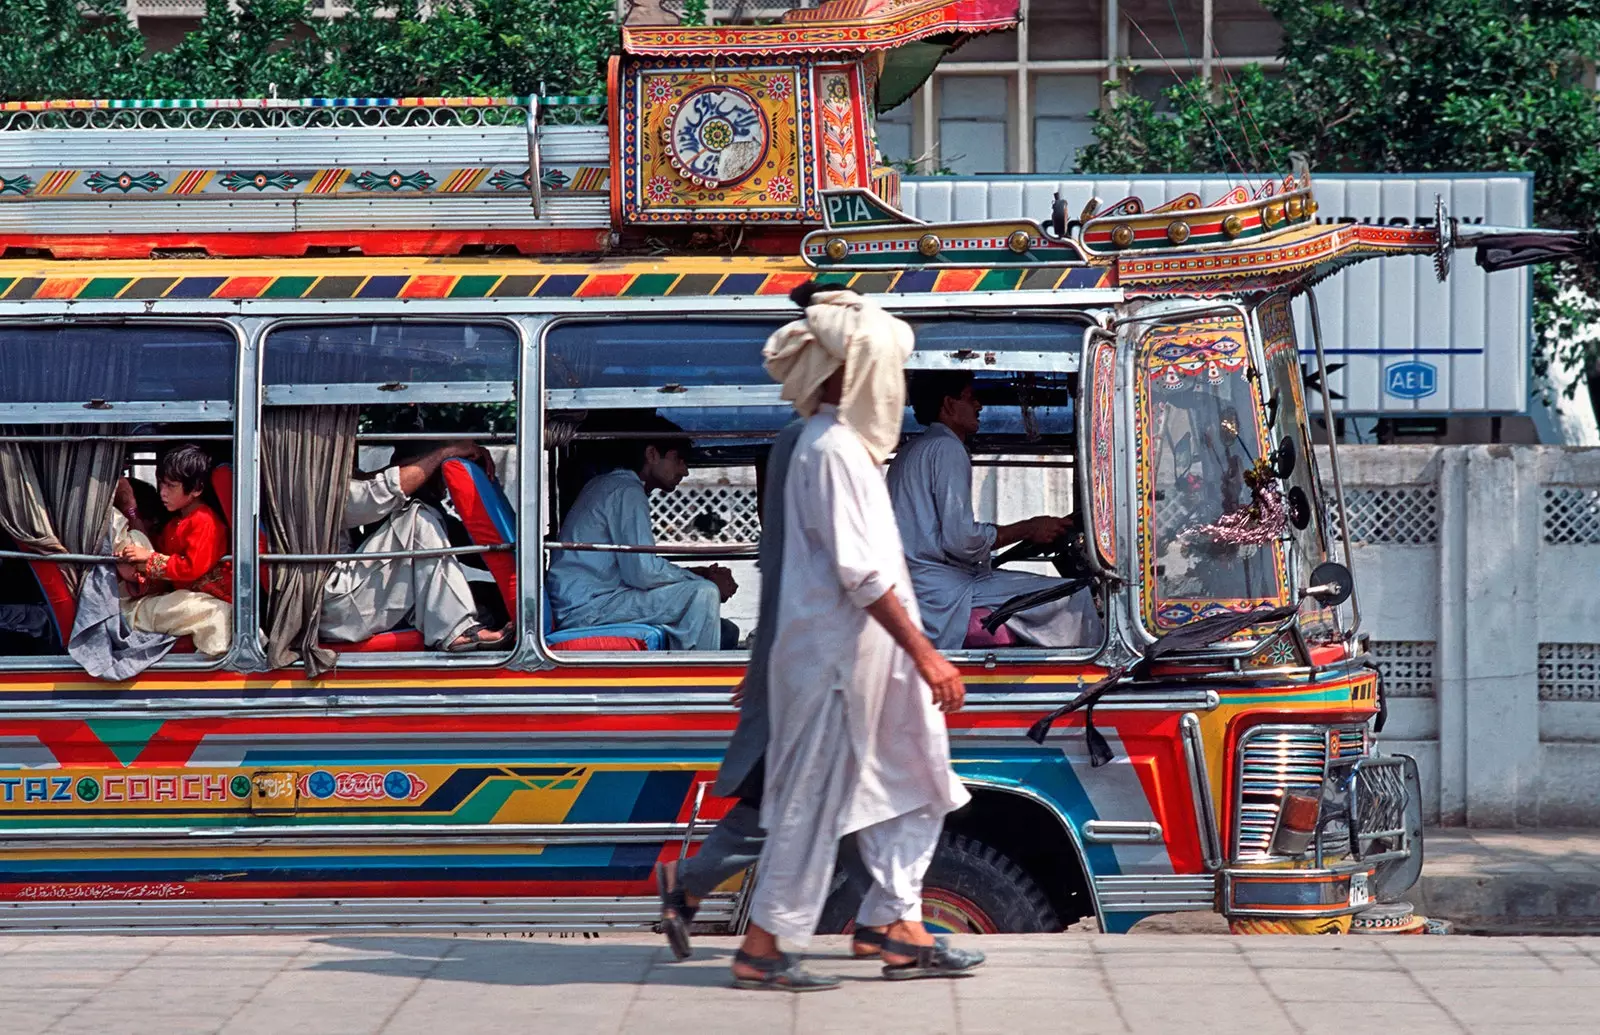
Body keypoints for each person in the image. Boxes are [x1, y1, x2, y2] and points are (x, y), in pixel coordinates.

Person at [731, 286, 984, 991]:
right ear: (847, 373)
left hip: (872, 660)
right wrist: (927, 651)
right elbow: (859, 572)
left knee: (916, 781)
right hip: (836, 664)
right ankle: (763, 946)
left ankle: (894, 922)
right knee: (810, 801)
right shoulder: (832, 448)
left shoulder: (847, 447)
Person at [887, 371, 1102, 649]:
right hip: (946, 595)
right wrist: (1029, 528)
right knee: (1075, 595)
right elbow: (961, 540)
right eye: (971, 398)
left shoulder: (913, 451)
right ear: (949, 404)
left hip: (923, 589)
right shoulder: (946, 447)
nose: (980, 406)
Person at [546, 416, 738, 651]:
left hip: (595, 601)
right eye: (678, 459)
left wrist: (695, 573)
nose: (685, 471)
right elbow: (642, 573)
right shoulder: (626, 491)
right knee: (703, 593)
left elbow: (636, 568)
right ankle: (698, 680)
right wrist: (705, 580)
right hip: (588, 608)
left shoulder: (611, 486)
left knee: (712, 607)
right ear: (652, 454)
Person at [319, 440, 509, 653]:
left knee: (485, 595)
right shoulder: (312, 478)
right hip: (336, 605)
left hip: (353, 598)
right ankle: (459, 631)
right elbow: (369, 496)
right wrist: (443, 454)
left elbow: (473, 550)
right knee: (420, 516)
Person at [113, 444, 233, 656]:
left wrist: (149, 560)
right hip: (187, 592)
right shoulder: (174, 524)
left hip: (218, 595)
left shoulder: (205, 522)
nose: (163, 493)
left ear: (196, 489)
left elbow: (190, 568)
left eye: (171, 486)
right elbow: (160, 549)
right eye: (161, 484)